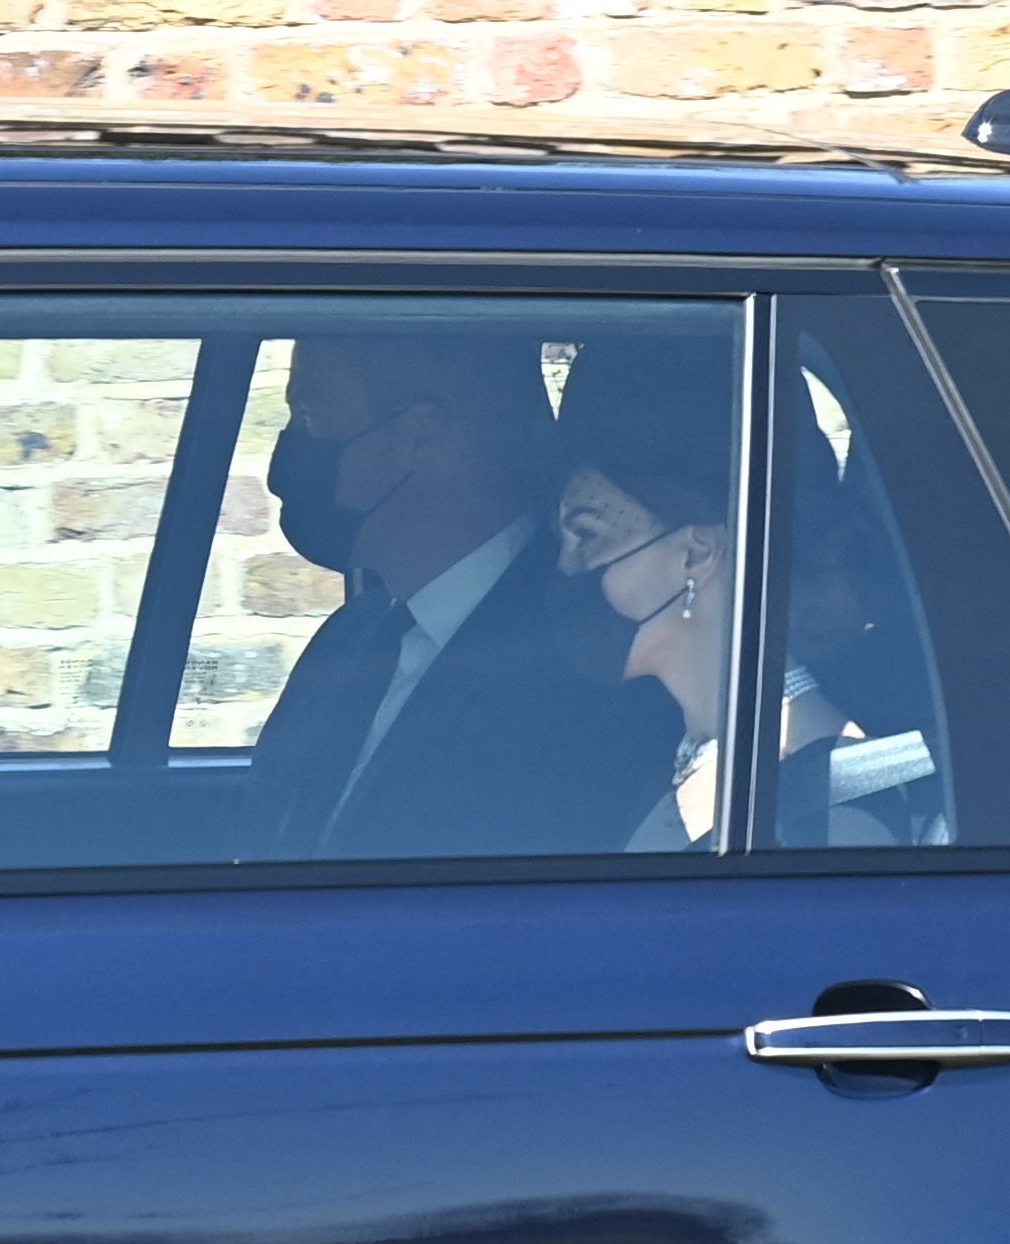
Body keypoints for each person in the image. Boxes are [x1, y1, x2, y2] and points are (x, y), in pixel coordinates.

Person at [239, 330, 678, 863]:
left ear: (418, 438)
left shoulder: (590, 668)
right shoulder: (347, 638)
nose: (289, 453)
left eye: (311, 417)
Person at [544, 388, 738, 851]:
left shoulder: (823, 810)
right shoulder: (669, 760)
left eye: (588, 536)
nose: (565, 571)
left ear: (696, 553)